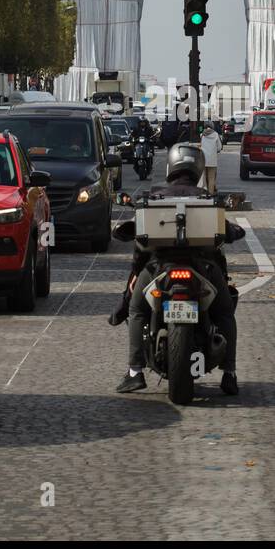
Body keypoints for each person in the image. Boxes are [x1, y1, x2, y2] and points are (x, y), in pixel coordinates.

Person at [111, 143, 239, 396]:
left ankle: (135, 372)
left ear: (170, 166)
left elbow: (138, 236)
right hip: (204, 268)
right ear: (198, 168)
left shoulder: (155, 195)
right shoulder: (206, 197)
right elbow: (227, 230)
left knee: (136, 310)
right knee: (225, 312)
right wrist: (233, 231)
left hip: (159, 268)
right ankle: (230, 373)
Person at [200, 124, 221, 193]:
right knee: (211, 178)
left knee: (204, 177)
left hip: (203, 159)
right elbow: (219, 147)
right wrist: (216, 150)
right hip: (212, 159)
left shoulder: (202, 135)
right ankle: (210, 193)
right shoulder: (216, 134)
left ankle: (204, 192)